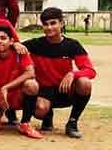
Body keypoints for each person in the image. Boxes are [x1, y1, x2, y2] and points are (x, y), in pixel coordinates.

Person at [23, 7, 95, 139]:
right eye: (45, 24)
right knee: (40, 110)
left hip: (65, 89)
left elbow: (90, 71)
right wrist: (16, 44)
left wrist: (73, 74)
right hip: (44, 91)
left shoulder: (72, 45)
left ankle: (72, 123)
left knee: (85, 83)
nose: (49, 27)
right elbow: (13, 47)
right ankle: (47, 115)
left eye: (53, 23)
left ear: (61, 23)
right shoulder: (35, 44)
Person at [0, 25, 42, 139]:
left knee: (32, 85)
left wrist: (6, 87)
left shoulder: (21, 53)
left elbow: (31, 73)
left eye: (3, 38)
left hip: (17, 92)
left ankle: (25, 123)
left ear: (11, 41)